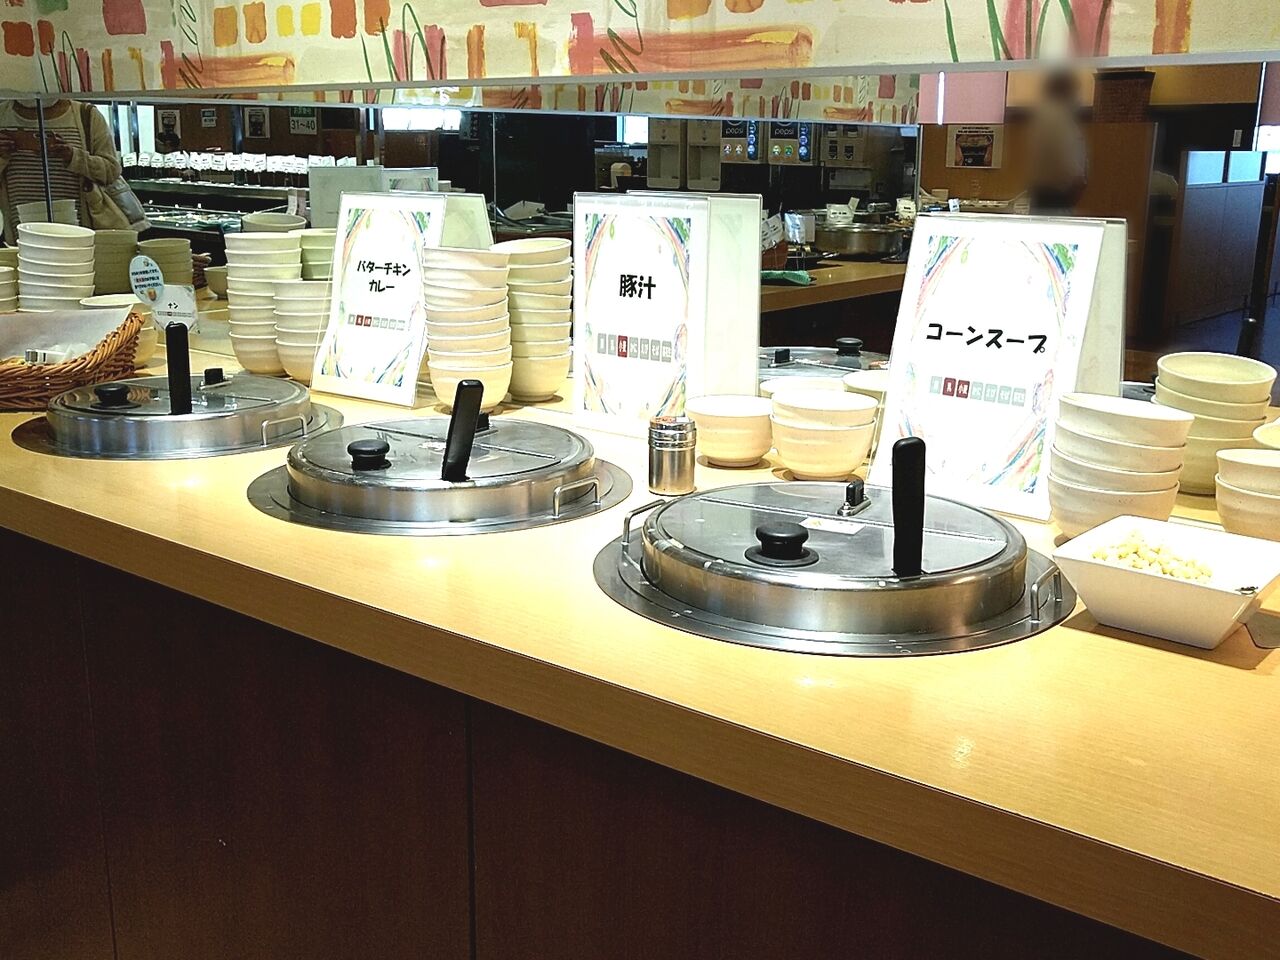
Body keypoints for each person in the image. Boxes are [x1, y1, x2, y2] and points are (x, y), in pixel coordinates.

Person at [0, 98, 128, 243]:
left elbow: (111, 170)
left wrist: (73, 155)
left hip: (80, 225)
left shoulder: (86, 115)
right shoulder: (3, 114)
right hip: (18, 226)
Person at [1026, 70, 1088, 215]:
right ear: (1065, 90)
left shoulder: (1047, 114)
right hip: (1055, 199)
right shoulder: (1056, 116)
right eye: (1075, 91)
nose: (1078, 97)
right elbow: (1069, 163)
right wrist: (1078, 184)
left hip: (1048, 197)